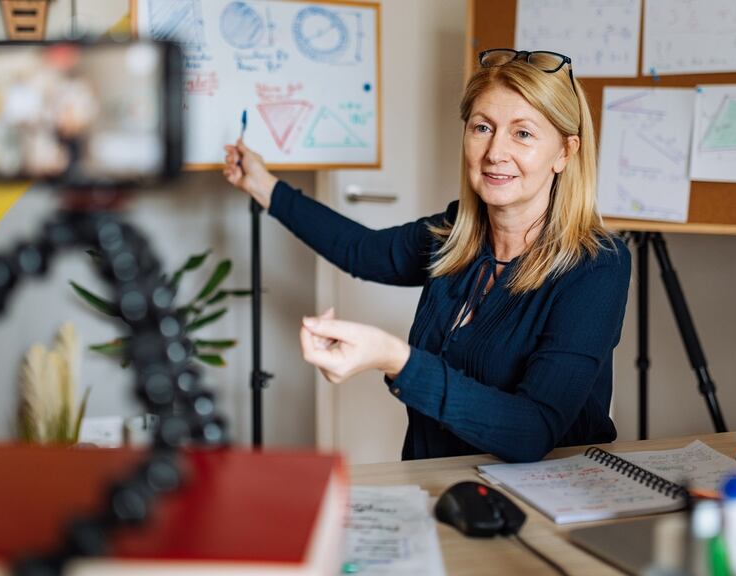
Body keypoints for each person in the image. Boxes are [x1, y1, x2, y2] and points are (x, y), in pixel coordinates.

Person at [222, 49, 630, 463]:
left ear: (565, 152)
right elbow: (360, 251)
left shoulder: (597, 265)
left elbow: (532, 430)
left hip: (546, 493)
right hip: (439, 481)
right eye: (483, 127)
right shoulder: (454, 235)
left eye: (522, 133)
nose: (495, 152)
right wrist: (262, 185)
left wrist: (395, 358)